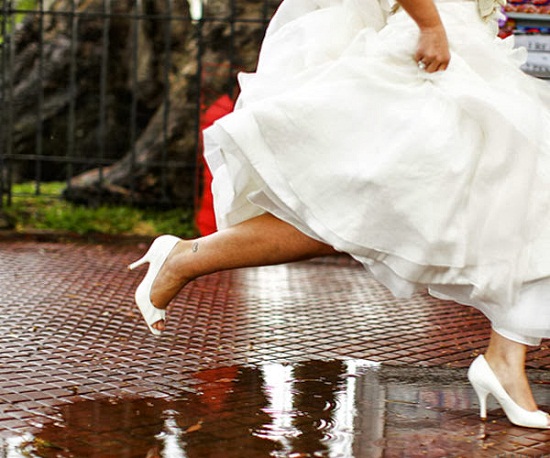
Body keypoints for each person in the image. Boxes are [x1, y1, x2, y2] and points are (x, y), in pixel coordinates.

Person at [129, 0, 550, 429]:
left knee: (521, 194)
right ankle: (186, 258)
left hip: (471, 48)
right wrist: (430, 27)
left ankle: (505, 358)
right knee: (364, 211)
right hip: (432, 50)